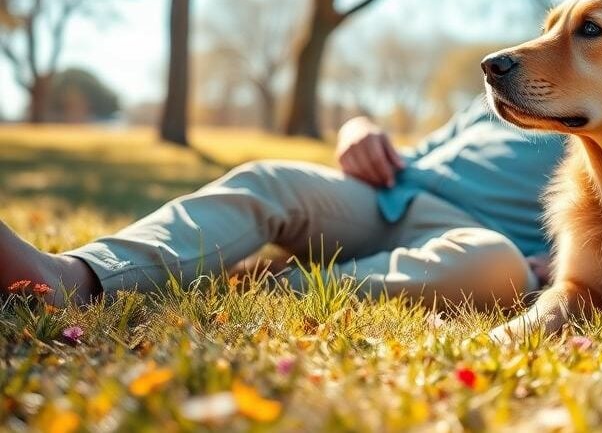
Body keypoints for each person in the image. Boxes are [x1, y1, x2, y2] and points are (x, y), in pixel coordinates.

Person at [0, 97, 564, 309]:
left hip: (478, 239)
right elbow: (422, 151)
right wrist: (359, 130)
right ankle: (76, 275)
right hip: (390, 194)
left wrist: (571, 262)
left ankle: (268, 283)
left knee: (498, 266)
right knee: (269, 180)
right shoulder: (511, 87)